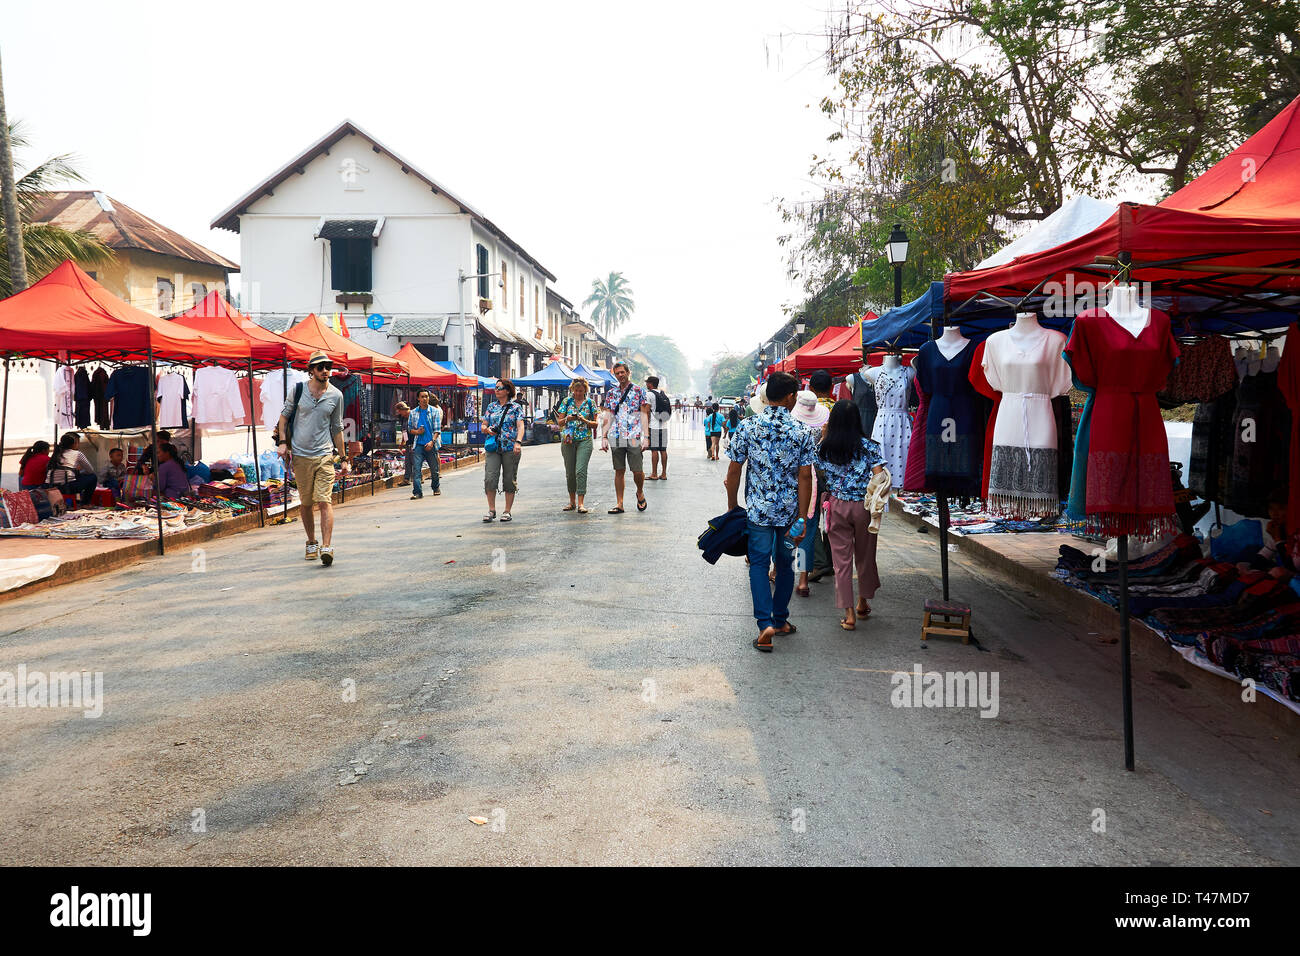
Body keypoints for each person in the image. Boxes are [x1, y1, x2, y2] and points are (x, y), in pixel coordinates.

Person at [724, 371, 815, 652]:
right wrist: (802, 517)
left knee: (760, 565)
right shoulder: (802, 431)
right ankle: (781, 619)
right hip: (789, 514)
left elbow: (734, 469)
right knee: (785, 564)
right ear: (789, 397)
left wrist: (732, 505)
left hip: (758, 512)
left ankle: (765, 625)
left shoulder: (748, 426)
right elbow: (805, 477)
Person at [818, 400, 886, 630]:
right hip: (863, 507)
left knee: (841, 561)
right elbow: (879, 477)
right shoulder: (870, 446)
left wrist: (823, 436)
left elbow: (819, 470)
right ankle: (862, 602)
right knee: (865, 556)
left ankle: (848, 615)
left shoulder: (825, 447)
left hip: (836, 506)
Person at [276, 351, 349, 566]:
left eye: (328, 366)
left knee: (325, 500)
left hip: (325, 456)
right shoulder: (298, 390)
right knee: (306, 503)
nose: (325, 370)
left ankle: (326, 546)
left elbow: (337, 428)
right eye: (320, 367)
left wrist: (343, 458)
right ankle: (311, 541)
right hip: (300, 456)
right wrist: (282, 442)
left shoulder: (336, 395)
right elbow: (284, 417)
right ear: (311, 371)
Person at [790, 390, 830, 598]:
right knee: (807, 528)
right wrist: (823, 439)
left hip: (790, 481)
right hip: (813, 483)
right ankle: (803, 579)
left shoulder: (791, 426)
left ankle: (780, 570)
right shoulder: (821, 429)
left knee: (785, 527)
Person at [600, 362, 650, 514]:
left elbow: (643, 414)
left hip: (633, 435)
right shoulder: (611, 393)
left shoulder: (638, 391)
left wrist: (646, 437)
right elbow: (608, 414)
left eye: (622, 372)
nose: (620, 375)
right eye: (617, 373)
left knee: (637, 470)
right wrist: (603, 436)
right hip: (616, 434)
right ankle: (620, 503)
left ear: (628, 372)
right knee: (619, 470)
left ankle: (639, 492)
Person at [482, 378, 524, 522]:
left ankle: (507, 511)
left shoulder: (515, 407)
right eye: (496, 388)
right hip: (493, 447)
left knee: (509, 479)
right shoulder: (491, 407)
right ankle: (491, 510)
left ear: (507, 390)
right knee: (490, 478)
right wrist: (487, 429)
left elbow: (520, 426)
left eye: (499, 388)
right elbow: (483, 425)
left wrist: (518, 442)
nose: (496, 390)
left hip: (510, 447)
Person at [555, 377, 598, 513]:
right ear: (572, 390)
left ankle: (581, 503)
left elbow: (595, 424)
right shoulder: (566, 402)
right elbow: (560, 422)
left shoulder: (590, 403)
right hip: (568, 439)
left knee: (580, 470)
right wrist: (568, 418)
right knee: (570, 472)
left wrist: (583, 419)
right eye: (576, 391)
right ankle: (572, 501)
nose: (578, 393)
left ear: (585, 390)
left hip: (585, 439)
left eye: (581, 391)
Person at [406, 389, 442, 499]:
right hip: (418, 445)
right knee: (416, 469)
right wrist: (417, 432)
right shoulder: (413, 413)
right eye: (422, 397)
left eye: (426, 396)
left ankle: (436, 487)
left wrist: (432, 442)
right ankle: (417, 492)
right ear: (418, 398)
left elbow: (437, 430)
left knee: (434, 469)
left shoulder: (434, 411)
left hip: (431, 444)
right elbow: (410, 429)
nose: (425, 399)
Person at [47, 433, 98, 505]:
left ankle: (75, 502)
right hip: (67, 487)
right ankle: (85, 503)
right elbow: (90, 470)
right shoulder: (77, 453)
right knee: (93, 477)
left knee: (74, 477)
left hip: (51, 486)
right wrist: (80, 471)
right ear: (74, 444)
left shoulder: (56, 453)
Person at [645, 375, 671, 480]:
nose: (646, 384)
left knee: (654, 450)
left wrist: (646, 427)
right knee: (663, 450)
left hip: (654, 426)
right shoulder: (663, 394)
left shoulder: (649, 394)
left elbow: (647, 411)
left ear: (650, 384)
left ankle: (654, 474)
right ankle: (664, 474)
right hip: (664, 426)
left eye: (647, 382)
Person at [393, 401, 412, 487]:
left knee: (415, 461)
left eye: (399, 411)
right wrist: (403, 443)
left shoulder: (413, 416)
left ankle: (419, 478)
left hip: (416, 442)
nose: (399, 413)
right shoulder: (404, 418)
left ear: (403, 410)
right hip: (409, 443)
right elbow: (404, 431)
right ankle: (406, 479)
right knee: (408, 461)